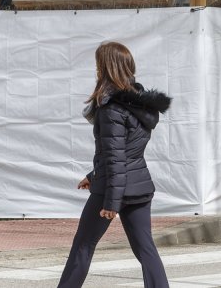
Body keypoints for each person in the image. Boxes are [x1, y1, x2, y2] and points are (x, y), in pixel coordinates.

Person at [58, 42, 172, 288]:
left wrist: (111, 202)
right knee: (146, 250)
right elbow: (125, 152)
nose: (96, 69)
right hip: (138, 187)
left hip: (111, 189)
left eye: (98, 65)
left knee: (83, 245)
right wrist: (93, 175)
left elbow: (116, 158)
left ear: (106, 68)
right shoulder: (140, 106)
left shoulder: (111, 109)